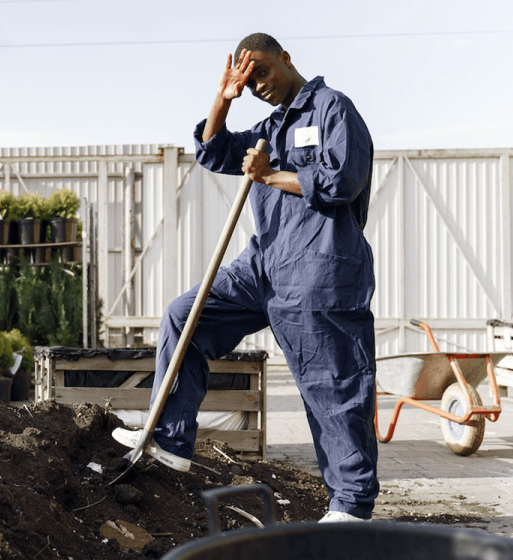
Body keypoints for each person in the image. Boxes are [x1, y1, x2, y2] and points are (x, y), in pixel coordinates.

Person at [113, 32, 379, 522]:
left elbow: (344, 181)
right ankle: (171, 440)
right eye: (248, 79)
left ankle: (351, 507)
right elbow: (213, 152)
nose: (257, 84)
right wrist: (223, 98)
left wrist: (269, 175)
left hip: (320, 266)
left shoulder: (332, 109)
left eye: (262, 72)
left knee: (332, 384)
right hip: (264, 265)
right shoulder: (270, 126)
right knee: (184, 316)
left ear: (286, 58)